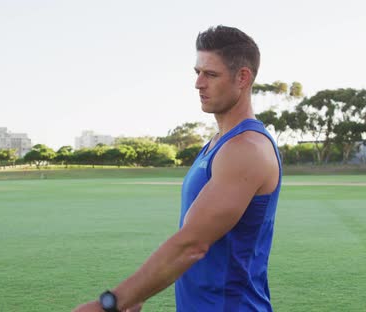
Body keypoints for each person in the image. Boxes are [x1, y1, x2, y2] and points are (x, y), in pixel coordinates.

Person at [74, 25, 282, 312]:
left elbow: (192, 244)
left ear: (242, 77)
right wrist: (137, 296)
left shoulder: (246, 149)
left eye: (210, 74)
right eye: (197, 72)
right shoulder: (218, 144)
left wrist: (111, 303)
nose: (198, 83)